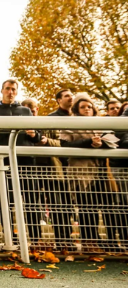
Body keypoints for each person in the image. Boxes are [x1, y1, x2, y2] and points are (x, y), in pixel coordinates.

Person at [0, 79, 43, 249]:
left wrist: (33, 134)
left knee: (31, 201)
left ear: (17, 92)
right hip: (4, 161)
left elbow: (37, 135)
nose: (10, 92)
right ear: (2, 90)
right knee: (5, 201)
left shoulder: (25, 110)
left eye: (14, 89)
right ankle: (10, 236)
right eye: (8, 89)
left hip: (26, 160)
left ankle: (36, 238)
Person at [58, 94, 119, 253]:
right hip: (80, 173)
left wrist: (102, 143)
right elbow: (64, 145)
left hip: (102, 171)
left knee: (106, 207)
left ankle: (109, 241)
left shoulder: (102, 124)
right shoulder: (69, 124)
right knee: (86, 208)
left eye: (89, 107)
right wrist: (89, 142)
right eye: (83, 107)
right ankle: (89, 241)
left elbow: (114, 142)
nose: (87, 109)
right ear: (77, 110)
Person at [38, 88, 76, 253]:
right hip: (56, 170)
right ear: (59, 100)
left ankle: (68, 239)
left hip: (75, 169)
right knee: (57, 206)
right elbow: (46, 141)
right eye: (67, 96)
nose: (71, 98)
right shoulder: (50, 119)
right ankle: (61, 240)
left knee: (69, 207)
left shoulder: (78, 119)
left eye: (72, 95)